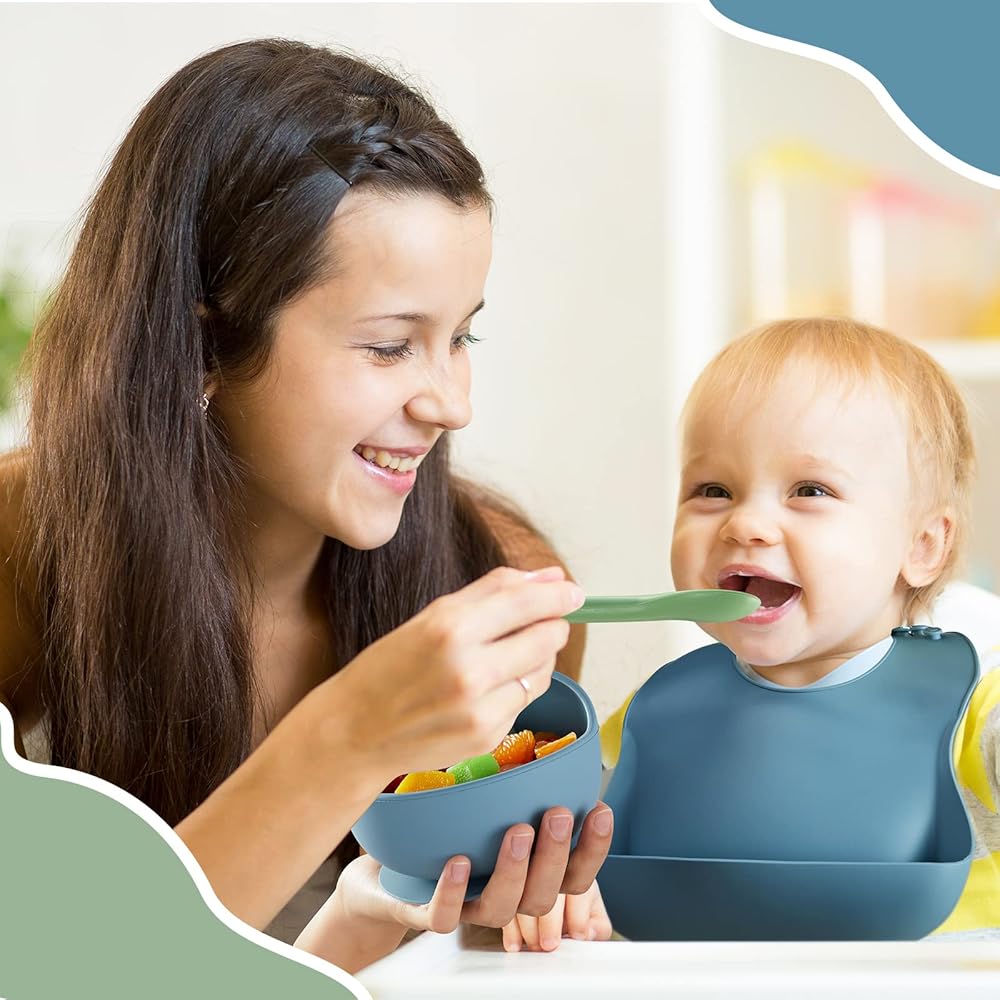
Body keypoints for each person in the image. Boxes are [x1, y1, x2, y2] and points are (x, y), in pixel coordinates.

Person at [0, 38, 616, 974]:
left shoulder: (496, 581)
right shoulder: (21, 552)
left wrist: (492, 929)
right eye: (389, 345)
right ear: (203, 350)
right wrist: (349, 736)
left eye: (462, 337)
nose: (452, 405)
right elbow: (63, 975)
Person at [511, 315, 1000, 948]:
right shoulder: (652, 718)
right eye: (713, 489)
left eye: (809, 490)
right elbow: (552, 844)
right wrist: (550, 887)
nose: (745, 524)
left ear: (923, 545)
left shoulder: (977, 715)